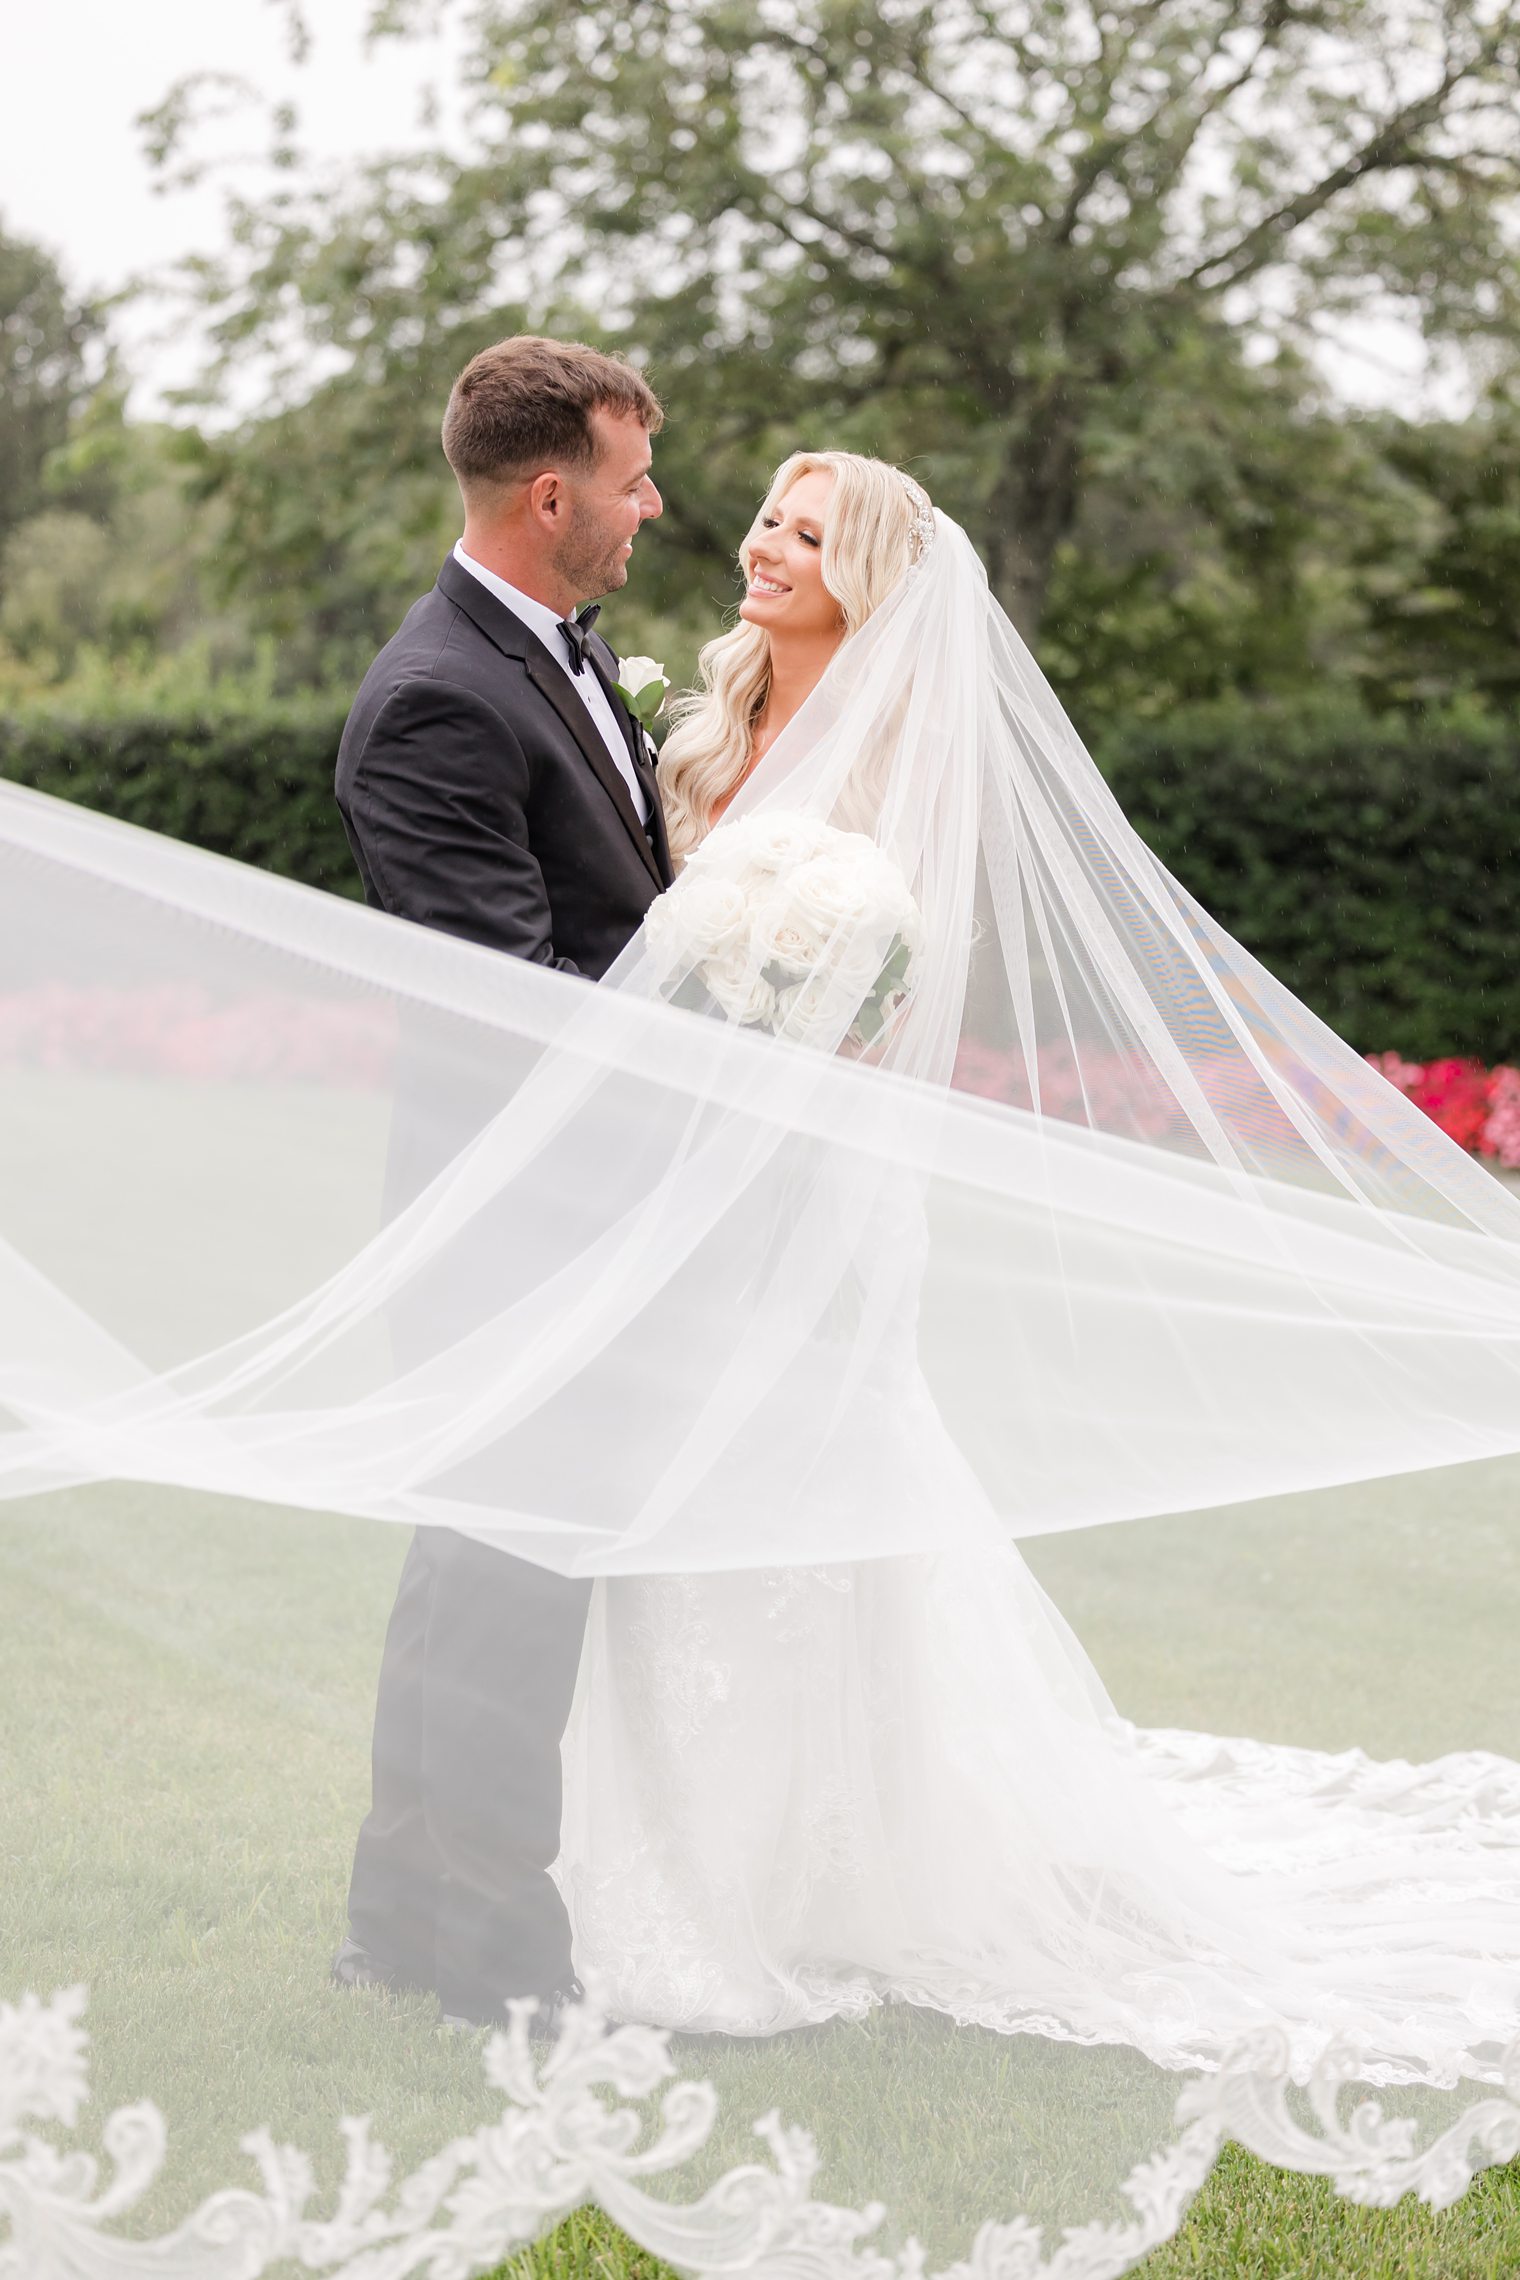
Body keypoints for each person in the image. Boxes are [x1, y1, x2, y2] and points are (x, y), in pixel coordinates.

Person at [553, 450, 1520, 2080]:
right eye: (766, 524)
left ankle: (833, 1865)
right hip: (695, 1170)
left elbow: (896, 985)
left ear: (864, 569)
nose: (763, 548)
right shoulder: (707, 729)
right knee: (682, 1488)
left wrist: (791, 1058)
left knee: (802, 1482)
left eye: (803, 532)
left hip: (823, 1178)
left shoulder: (912, 758)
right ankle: (675, 1846)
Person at [331, 333, 670, 2030]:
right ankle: (483, 1954)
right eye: (630, 480)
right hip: (517, 1226)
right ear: (553, 493)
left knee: (485, 1574)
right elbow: (519, 1005)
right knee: (504, 1586)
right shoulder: (437, 701)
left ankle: (398, 1922)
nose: (651, 508)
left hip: (582, 1224)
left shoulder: (561, 658)